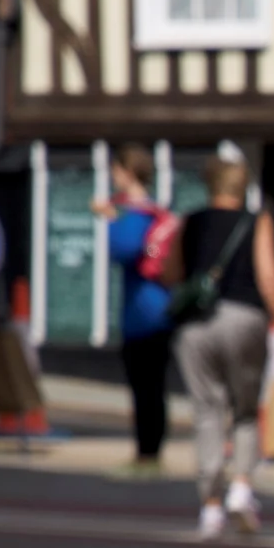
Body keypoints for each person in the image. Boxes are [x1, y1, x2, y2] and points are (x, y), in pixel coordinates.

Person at [168, 145, 274, 537]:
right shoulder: (257, 222)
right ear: (243, 186)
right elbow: (269, 276)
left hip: (196, 325)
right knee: (245, 409)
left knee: (206, 411)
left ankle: (210, 507)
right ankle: (241, 486)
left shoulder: (189, 222)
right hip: (244, 319)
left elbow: (170, 270)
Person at [96, 145, 176, 471]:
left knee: (144, 387)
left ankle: (147, 453)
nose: (113, 179)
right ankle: (151, 449)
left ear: (127, 173)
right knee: (154, 386)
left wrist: (110, 220)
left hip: (142, 314)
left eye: (115, 171)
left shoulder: (133, 215)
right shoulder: (157, 213)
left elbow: (123, 250)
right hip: (163, 309)